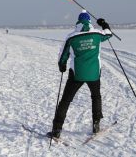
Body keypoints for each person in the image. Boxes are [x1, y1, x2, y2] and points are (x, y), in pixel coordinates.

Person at [47, 10, 113, 139]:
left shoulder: (72, 37)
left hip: (76, 74)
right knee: (96, 97)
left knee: (65, 101)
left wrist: (62, 66)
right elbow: (109, 34)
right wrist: (103, 23)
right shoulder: (97, 34)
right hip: (94, 73)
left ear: (78, 22)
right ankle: (96, 125)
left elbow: (63, 56)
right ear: (89, 21)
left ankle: (56, 130)